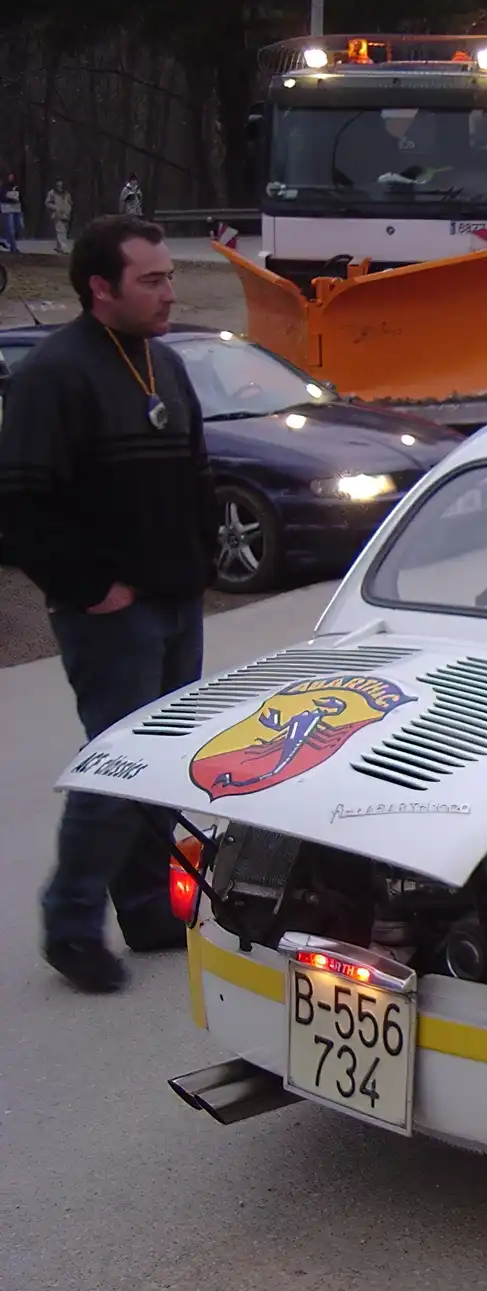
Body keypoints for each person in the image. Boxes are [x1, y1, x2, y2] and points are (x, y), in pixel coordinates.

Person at [0, 214, 215, 994]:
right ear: (101, 287)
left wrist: (199, 561)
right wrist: (93, 587)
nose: (169, 292)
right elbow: (20, 505)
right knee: (118, 767)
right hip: (110, 613)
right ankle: (71, 925)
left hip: (177, 600)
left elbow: (196, 472)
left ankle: (151, 908)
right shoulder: (53, 375)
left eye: (170, 276)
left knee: (163, 766)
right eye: (151, 280)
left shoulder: (167, 364)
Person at [45, 179, 72, 253]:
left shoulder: (66, 194)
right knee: (61, 231)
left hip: (66, 215)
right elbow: (47, 203)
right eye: (58, 186)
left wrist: (68, 210)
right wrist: (56, 208)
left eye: (61, 185)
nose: (59, 187)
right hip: (57, 214)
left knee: (64, 231)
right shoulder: (52, 193)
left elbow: (69, 203)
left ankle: (58, 247)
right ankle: (64, 248)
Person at [0, 174, 22, 253]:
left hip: (16, 207)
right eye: (10, 177)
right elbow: (2, 196)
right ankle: (13, 247)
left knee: (18, 226)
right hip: (6, 208)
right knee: (10, 228)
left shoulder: (17, 186)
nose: (11, 178)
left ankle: (5, 239)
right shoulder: (3, 187)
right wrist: (9, 198)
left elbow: (21, 197)